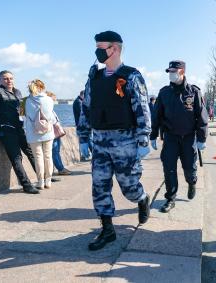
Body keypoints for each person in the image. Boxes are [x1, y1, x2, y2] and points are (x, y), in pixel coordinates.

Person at [79, 30, 151, 251]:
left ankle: (141, 198)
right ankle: (107, 230)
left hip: (125, 141)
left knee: (128, 187)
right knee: (99, 186)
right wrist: (83, 137)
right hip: (100, 141)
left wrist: (143, 139)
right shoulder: (94, 78)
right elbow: (87, 108)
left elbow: (142, 108)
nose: (98, 52)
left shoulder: (131, 76)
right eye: (97, 48)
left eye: (102, 48)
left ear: (115, 49)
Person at [150, 60, 208, 213]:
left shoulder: (193, 92)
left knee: (189, 168)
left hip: (189, 137)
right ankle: (170, 198)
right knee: (169, 168)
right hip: (170, 137)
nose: (170, 74)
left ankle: (192, 182)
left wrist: (202, 138)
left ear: (182, 72)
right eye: (169, 72)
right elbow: (156, 115)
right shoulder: (164, 92)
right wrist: (153, 135)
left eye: (173, 71)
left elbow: (202, 116)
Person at [0, 70, 39, 194]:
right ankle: (26, 185)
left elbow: (22, 112)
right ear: (0, 80)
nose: (9, 80)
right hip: (5, 130)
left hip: (19, 128)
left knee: (32, 153)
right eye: (5, 78)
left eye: (11, 78)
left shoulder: (18, 92)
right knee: (16, 157)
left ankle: (43, 178)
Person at [24, 79, 57, 189]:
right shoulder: (49, 99)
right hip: (48, 131)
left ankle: (40, 182)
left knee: (38, 157)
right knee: (48, 156)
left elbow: (24, 117)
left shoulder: (26, 101)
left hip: (33, 132)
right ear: (42, 87)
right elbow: (51, 117)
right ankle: (48, 181)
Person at [46, 91, 71, 176]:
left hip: (54, 133)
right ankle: (60, 169)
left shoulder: (50, 110)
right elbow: (53, 121)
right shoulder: (49, 110)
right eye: (53, 100)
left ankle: (60, 168)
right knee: (55, 152)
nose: (53, 102)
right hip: (53, 133)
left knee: (56, 151)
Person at [73, 90, 92, 161]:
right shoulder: (79, 102)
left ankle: (85, 155)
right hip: (83, 125)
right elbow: (83, 113)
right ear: (82, 95)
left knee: (86, 140)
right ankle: (87, 155)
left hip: (81, 125)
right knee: (88, 140)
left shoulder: (78, 101)